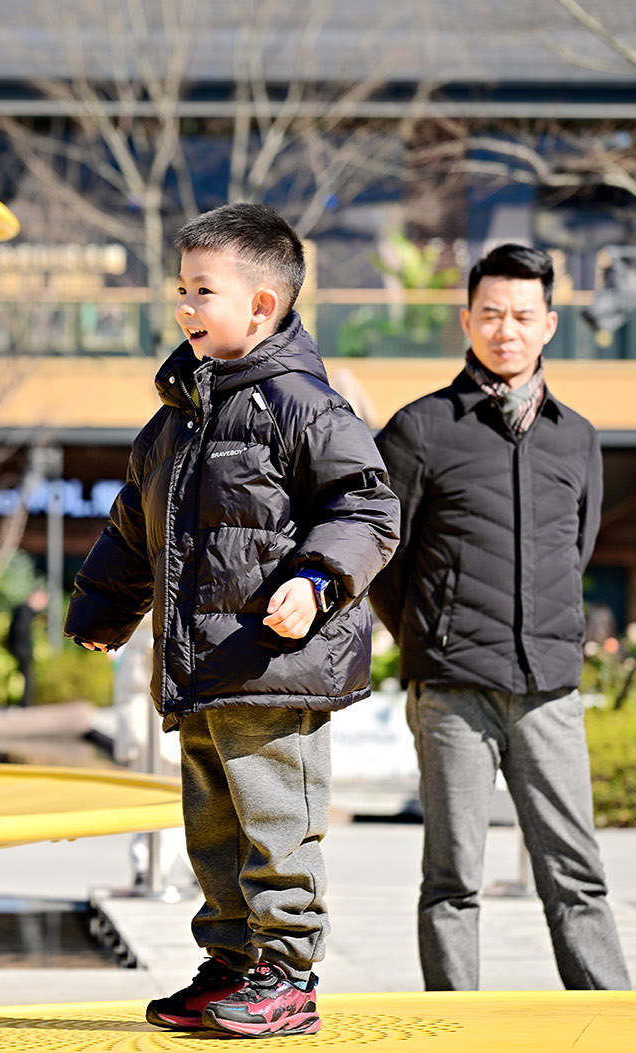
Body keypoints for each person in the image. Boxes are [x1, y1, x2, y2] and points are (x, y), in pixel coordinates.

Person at [65, 202, 399, 1038]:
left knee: (276, 823)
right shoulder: (178, 416)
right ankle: (231, 964)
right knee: (214, 830)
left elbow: (366, 505)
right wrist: (106, 606)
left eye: (202, 290)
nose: (185, 306)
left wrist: (319, 579)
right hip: (200, 669)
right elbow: (134, 522)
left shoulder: (303, 405)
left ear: (263, 305)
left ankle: (288, 971)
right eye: (182, 289)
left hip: (273, 662)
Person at [369, 243, 631, 993]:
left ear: (549, 324)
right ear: (467, 319)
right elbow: (383, 555)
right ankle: (457, 1029)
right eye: (491, 313)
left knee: (576, 873)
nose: (505, 329)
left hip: (550, 687)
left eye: (522, 315)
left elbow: (576, 549)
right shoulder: (420, 430)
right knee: (452, 877)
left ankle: (612, 1021)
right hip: (452, 691)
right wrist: (429, 635)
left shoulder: (576, 436)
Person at [6, 587, 48, 707]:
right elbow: (19, 632)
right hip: (22, 649)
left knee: (26, 676)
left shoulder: (22, 611)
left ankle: (24, 702)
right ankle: (24, 703)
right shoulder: (24, 612)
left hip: (20, 648)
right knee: (26, 676)